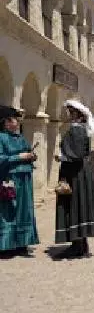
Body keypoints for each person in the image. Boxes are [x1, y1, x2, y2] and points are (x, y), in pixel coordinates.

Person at [54, 100, 94, 259]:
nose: (68, 114)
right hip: (78, 172)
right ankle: (81, 245)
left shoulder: (77, 130)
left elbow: (77, 154)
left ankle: (77, 246)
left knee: (75, 204)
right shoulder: (80, 129)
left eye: (70, 112)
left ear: (78, 115)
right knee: (79, 204)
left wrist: (62, 157)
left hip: (76, 173)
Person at [0, 106, 38, 256]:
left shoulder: (20, 137)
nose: (17, 122)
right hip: (10, 180)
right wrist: (19, 157)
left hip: (25, 179)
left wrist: (31, 156)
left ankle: (22, 243)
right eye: (14, 119)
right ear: (5, 122)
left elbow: (27, 150)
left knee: (25, 211)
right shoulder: (1, 137)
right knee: (10, 211)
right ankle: (7, 245)